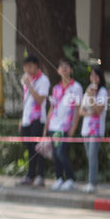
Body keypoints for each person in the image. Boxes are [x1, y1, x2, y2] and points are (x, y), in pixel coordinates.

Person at [45, 59, 84, 191]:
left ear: (71, 70)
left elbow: (78, 108)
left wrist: (73, 127)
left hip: (65, 126)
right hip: (53, 125)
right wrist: (46, 125)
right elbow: (52, 108)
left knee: (61, 152)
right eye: (61, 67)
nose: (64, 69)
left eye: (67, 66)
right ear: (58, 70)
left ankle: (71, 179)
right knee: (56, 154)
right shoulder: (56, 88)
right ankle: (59, 178)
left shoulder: (76, 87)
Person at [71, 65, 108, 194]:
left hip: (97, 130)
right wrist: (90, 110)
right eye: (92, 75)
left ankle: (93, 183)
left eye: (96, 75)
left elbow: (99, 110)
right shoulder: (88, 90)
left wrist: (92, 98)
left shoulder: (102, 91)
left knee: (93, 156)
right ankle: (91, 182)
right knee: (89, 156)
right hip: (86, 129)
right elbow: (81, 111)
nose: (93, 78)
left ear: (100, 77)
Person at [18, 55, 50, 187]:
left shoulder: (43, 80)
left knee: (38, 148)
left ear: (37, 66)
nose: (27, 69)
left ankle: (40, 176)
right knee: (30, 148)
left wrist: (29, 85)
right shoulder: (28, 80)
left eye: (30, 66)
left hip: (37, 119)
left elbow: (40, 100)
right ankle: (30, 175)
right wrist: (21, 119)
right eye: (25, 67)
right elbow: (26, 101)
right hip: (26, 119)